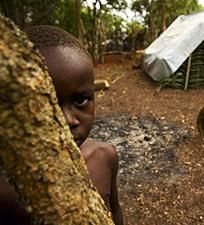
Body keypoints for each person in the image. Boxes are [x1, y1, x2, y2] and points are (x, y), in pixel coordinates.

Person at [0, 25, 123, 225]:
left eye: (80, 101)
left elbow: (115, 211)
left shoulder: (105, 156)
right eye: (48, 105)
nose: (68, 120)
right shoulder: (9, 188)